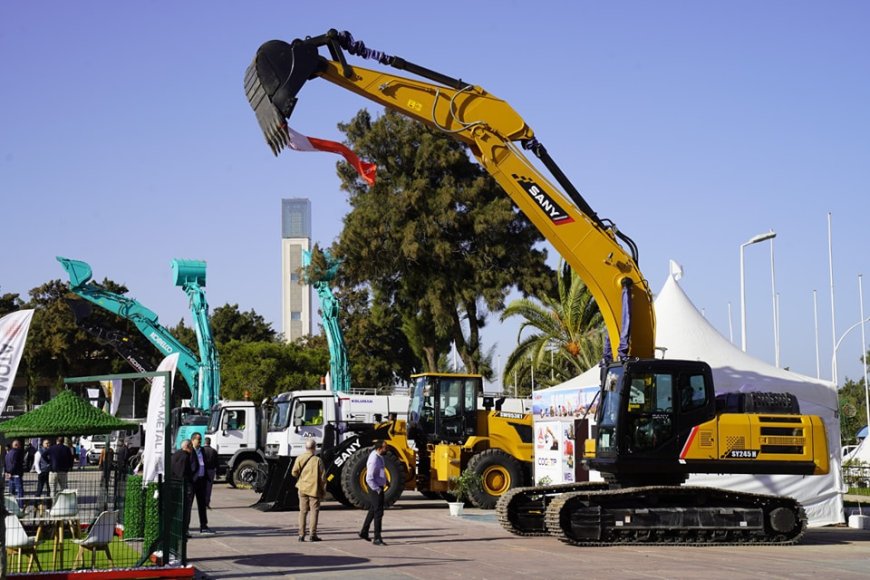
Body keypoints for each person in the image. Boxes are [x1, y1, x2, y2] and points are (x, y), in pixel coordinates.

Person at [291, 438, 326, 542]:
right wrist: (323, 490)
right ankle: (312, 534)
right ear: (314, 448)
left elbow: (294, 472)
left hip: (302, 488)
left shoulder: (300, 458)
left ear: (306, 447)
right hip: (314, 489)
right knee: (314, 511)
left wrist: (301, 478)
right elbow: (323, 477)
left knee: (303, 512)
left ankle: (301, 535)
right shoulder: (317, 460)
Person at [359, 439, 388, 546]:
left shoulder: (380, 457)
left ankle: (364, 531)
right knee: (378, 512)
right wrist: (377, 489)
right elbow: (369, 478)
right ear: (379, 448)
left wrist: (385, 480)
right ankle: (377, 537)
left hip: (379, 485)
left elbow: (380, 471)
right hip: (375, 488)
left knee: (373, 509)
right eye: (385, 447)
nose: (387, 449)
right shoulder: (374, 459)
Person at [190, 433, 214, 534]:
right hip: (192, 481)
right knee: (188, 505)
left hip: (201, 480)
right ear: (192, 440)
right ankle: (185, 527)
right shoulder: (190, 451)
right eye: (198, 440)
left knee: (202, 504)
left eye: (200, 440)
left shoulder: (202, 450)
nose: (199, 442)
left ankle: (203, 526)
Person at [171, 439, 195, 539]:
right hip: (183, 487)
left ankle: (178, 530)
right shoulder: (184, 457)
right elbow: (182, 473)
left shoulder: (176, 454)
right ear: (188, 446)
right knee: (185, 510)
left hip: (174, 485)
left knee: (178, 510)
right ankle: (183, 531)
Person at [5, 439, 25, 507]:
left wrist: (7, 472)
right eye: (20, 445)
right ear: (17, 445)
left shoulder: (8, 453)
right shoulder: (17, 452)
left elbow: (6, 464)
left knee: (11, 492)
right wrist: (11, 472)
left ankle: (12, 506)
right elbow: (15, 464)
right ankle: (20, 506)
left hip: (10, 476)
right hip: (16, 475)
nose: (20, 446)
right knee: (20, 492)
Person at [201, 437, 218, 509]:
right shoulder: (214, 451)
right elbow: (217, 462)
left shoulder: (201, 450)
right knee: (209, 488)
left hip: (202, 470)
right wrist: (218, 472)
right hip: (211, 470)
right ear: (210, 442)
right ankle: (207, 503)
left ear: (204, 442)